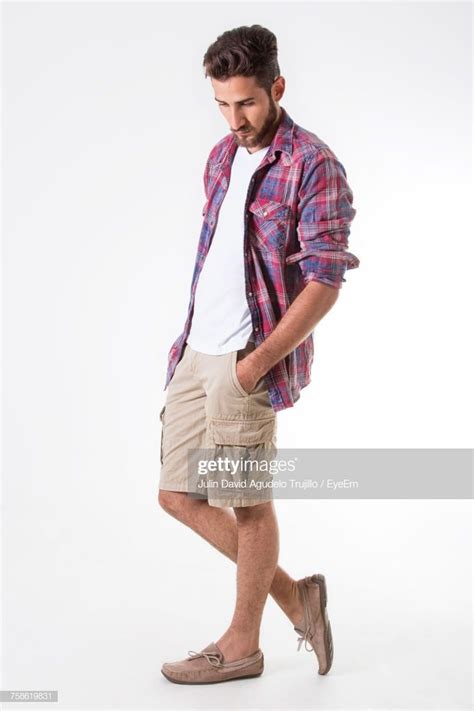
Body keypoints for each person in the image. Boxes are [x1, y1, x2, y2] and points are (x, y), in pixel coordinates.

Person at [158, 24, 359, 685]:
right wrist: (189, 341)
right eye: (221, 103)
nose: (234, 118)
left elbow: (325, 279)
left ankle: (242, 643)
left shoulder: (312, 163)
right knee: (177, 495)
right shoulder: (221, 157)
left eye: (245, 102)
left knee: (248, 504)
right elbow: (219, 257)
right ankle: (296, 596)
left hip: (248, 357)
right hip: (197, 350)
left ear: (276, 87)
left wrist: (256, 363)